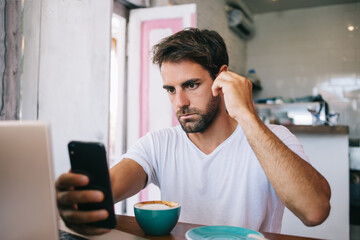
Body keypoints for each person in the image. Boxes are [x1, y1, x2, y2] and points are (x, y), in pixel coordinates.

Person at [56, 28, 331, 235]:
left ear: (222, 77)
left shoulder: (275, 139)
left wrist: (247, 116)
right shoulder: (158, 144)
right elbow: (111, 187)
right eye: (171, 90)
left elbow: (315, 211)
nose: (180, 103)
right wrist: (82, 199)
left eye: (191, 85)